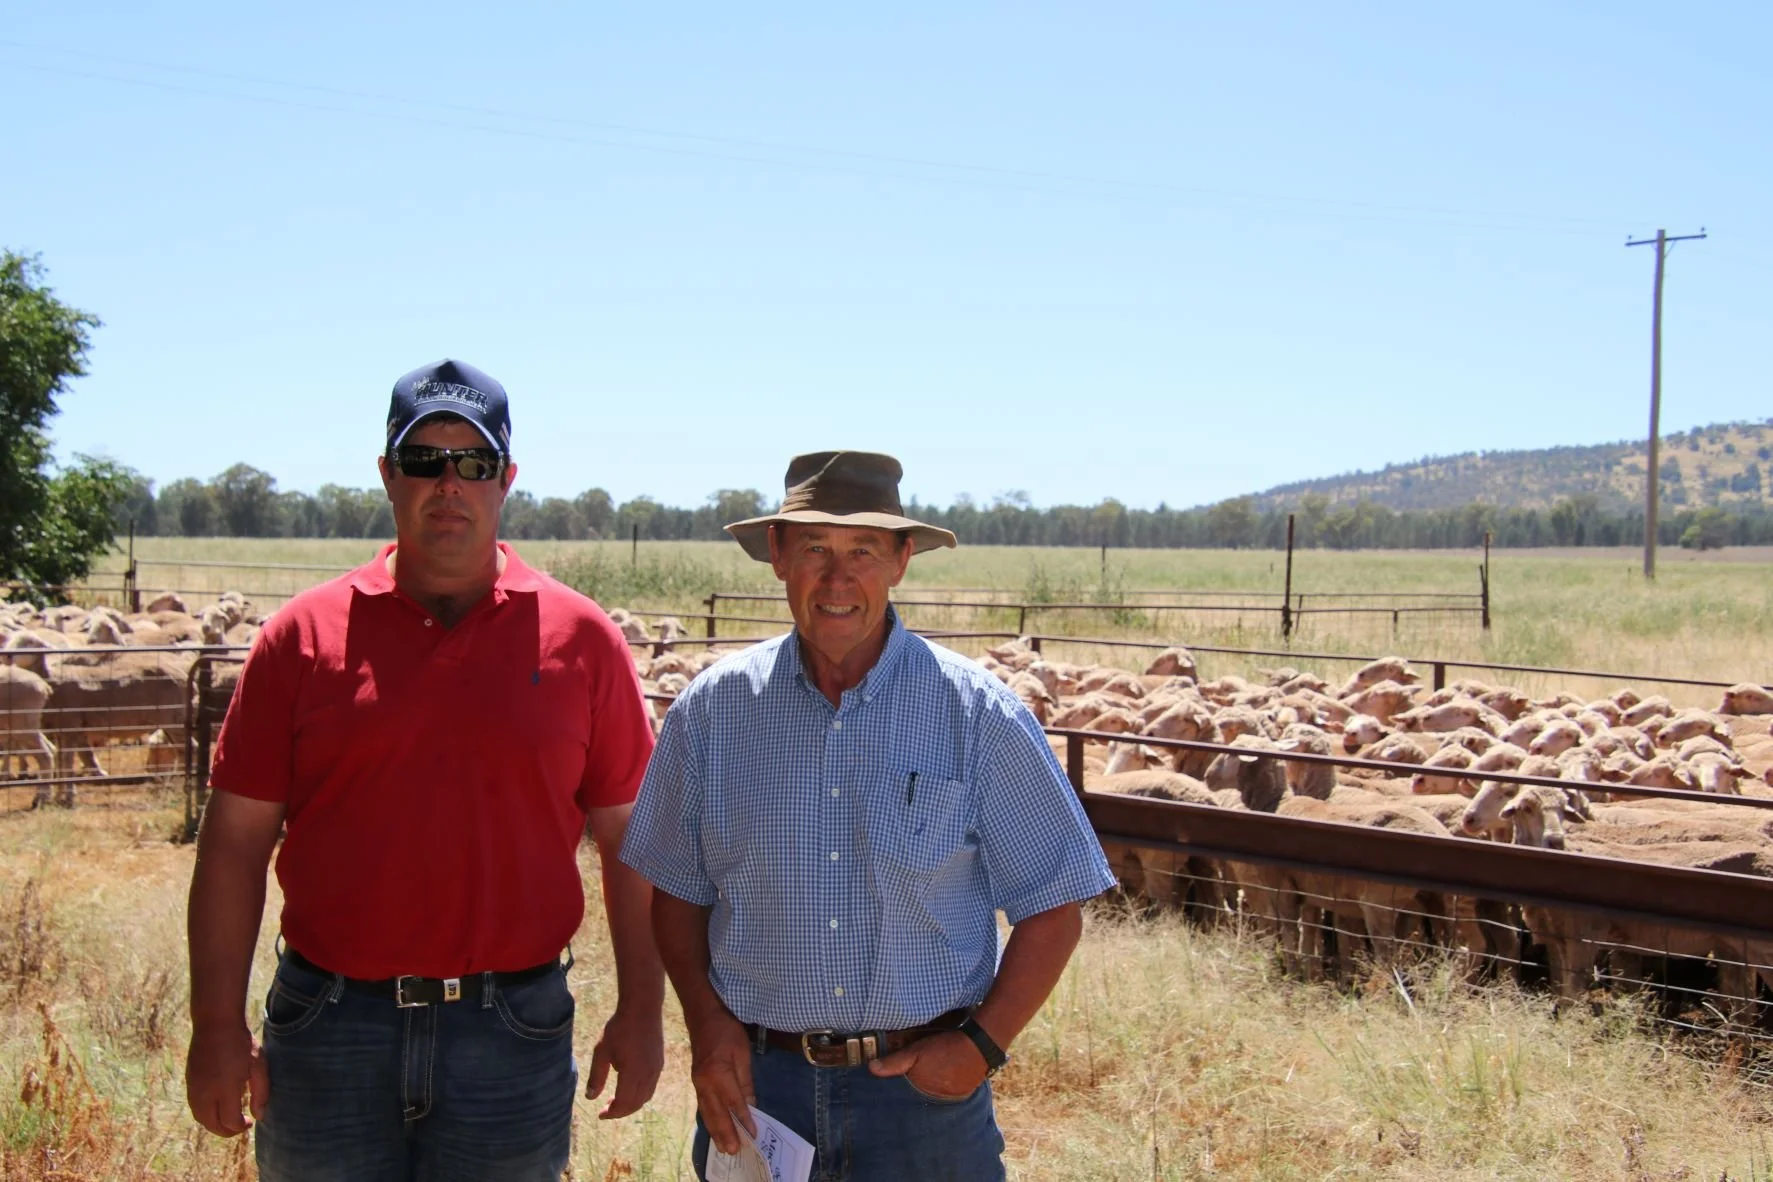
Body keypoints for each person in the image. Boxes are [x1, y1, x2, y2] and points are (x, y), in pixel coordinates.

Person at [184, 359, 665, 1181]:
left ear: (506, 479)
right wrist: (215, 1024)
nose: (449, 484)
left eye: (472, 463)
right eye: (423, 461)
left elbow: (632, 841)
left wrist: (643, 1009)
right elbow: (233, 843)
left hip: (510, 1028)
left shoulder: (582, 640)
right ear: (386, 475)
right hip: (330, 1022)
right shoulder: (300, 639)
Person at [621, 450, 1116, 1181]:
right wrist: (706, 1025)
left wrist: (980, 1046)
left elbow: (1054, 904)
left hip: (920, 1098)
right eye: (815, 549)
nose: (837, 577)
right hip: (760, 1087)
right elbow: (676, 893)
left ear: (902, 561)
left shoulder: (975, 715)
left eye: (863, 551)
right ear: (778, 558)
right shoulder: (712, 713)